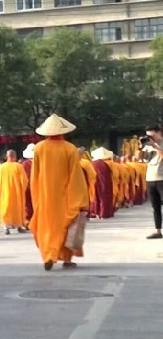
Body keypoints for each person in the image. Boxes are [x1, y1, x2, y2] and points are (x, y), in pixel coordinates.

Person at [29, 114, 90, 270]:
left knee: (47, 227)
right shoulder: (70, 148)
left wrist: (36, 196)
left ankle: (48, 256)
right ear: (63, 131)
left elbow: (35, 175)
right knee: (66, 226)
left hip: (45, 196)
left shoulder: (39, 148)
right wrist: (80, 200)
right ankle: (66, 259)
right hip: (65, 197)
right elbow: (75, 177)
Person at [0, 150, 28, 234]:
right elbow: (24, 181)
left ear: (7, 156)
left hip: (6, 192)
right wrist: (22, 190)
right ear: (15, 156)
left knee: (6, 208)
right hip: (17, 193)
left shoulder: (3, 166)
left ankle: (6, 227)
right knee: (17, 208)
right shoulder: (19, 166)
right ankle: (19, 226)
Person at [142, 125, 163, 238]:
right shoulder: (148, 146)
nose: (150, 138)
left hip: (161, 178)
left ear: (159, 132)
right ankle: (158, 231)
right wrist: (141, 146)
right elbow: (140, 158)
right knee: (155, 207)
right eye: (148, 136)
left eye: (152, 135)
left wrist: (155, 146)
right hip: (150, 178)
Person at [90, 147, 115, 219]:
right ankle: (104, 213)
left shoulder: (92, 164)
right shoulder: (107, 164)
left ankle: (96, 212)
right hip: (105, 183)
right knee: (104, 197)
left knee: (96, 196)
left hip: (94, 182)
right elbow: (112, 174)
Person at [22, 143, 35, 226]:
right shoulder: (41, 162)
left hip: (27, 187)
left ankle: (28, 221)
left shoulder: (24, 164)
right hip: (38, 187)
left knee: (28, 205)